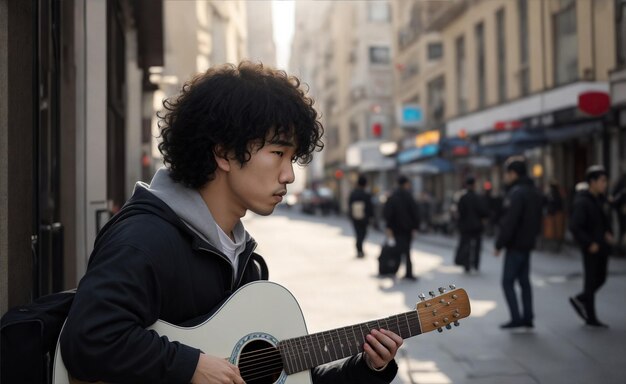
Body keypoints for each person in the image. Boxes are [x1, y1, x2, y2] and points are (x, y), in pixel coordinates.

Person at [60, 62, 401, 384]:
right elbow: (88, 339)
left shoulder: (244, 263)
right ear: (223, 154)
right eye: (278, 154)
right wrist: (190, 366)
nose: (289, 175)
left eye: (293, 157)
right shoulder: (145, 239)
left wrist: (369, 366)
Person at [494, 156, 543, 330]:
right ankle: (527, 317)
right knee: (524, 282)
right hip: (528, 244)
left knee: (508, 282)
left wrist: (499, 244)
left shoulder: (516, 193)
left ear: (513, 173)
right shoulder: (534, 191)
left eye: (507, 173)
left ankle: (516, 318)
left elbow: (510, 221)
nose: (506, 177)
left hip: (515, 245)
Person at [569, 165, 614, 328]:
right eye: (602, 181)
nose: (605, 184)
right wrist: (589, 243)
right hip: (592, 247)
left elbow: (603, 221)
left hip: (602, 246)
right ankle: (591, 316)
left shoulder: (600, 200)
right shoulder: (583, 202)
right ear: (592, 182)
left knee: (600, 278)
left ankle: (581, 299)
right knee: (591, 280)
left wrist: (608, 232)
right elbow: (575, 226)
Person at [383, 175, 420, 281]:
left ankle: (393, 269)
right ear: (406, 184)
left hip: (395, 229)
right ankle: (409, 272)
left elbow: (387, 214)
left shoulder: (392, 197)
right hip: (407, 229)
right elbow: (415, 213)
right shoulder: (409, 196)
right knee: (407, 251)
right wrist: (415, 227)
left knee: (397, 249)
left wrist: (388, 227)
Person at [455, 176, 489, 274]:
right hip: (476, 226)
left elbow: (460, 212)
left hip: (465, 226)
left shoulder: (463, 197)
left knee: (466, 244)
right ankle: (476, 264)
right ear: (474, 185)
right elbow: (484, 211)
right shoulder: (478, 197)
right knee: (477, 246)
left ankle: (466, 264)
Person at [348, 175, 374, 258]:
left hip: (355, 217)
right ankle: (360, 249)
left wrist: (351, 215)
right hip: (364, 218)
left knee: (358, 233)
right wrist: (371, 217)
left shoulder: (353, 193)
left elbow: (350, 205)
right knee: (363, 234)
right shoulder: (366, 194)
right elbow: (370, 207)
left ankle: (359, 249)